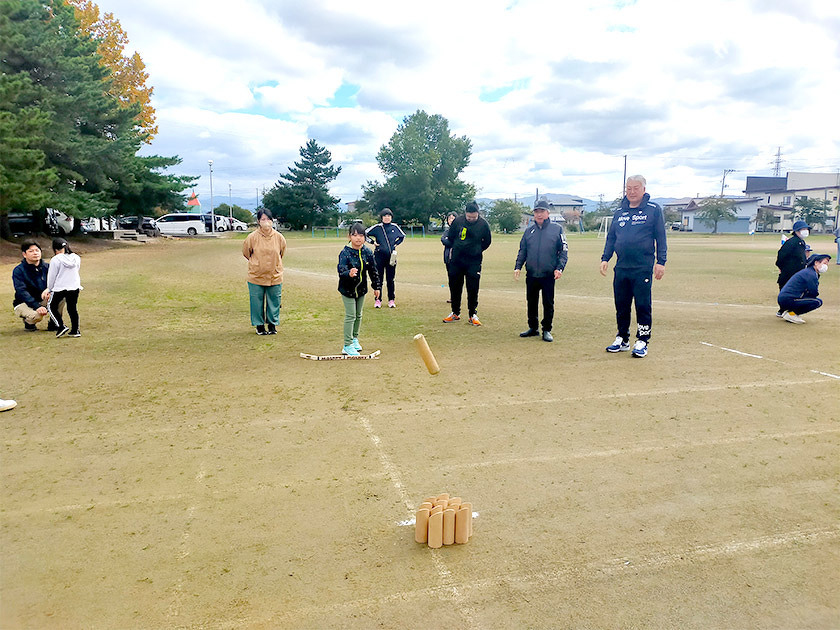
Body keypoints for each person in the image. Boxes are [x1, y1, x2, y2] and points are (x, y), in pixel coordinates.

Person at [599, 175, 667, 358]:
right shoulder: (619, 212)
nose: (632, 191)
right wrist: (605, 258)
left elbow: (661, 237)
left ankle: (642, 340)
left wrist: (661, 262)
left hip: (642, 267)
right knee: (621, 304)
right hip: (621, 267)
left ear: (643, 189)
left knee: (643, 305)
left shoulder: (653, 210)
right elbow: (611, 237)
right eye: (628, 188)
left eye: (636, 188)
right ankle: (623, 337)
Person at [514, 199, 569, 342]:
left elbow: (563, 251)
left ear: (547, 213)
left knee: (548, 303)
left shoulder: (557, 229)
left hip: (548, 274)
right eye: (536, 212)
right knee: (531, 302)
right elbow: (523, 251)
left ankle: (547, 329)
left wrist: (559, 268)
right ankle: (533, 328)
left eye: (542, 211)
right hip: (532, 274)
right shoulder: (528, 231)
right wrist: (518, 266)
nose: (539, 214)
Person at [442, 201, 492, 326]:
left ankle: (472, 315)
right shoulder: (458, 222)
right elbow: (451, 237)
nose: (471, 219)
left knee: (473, 288)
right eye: (469, 217)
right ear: (465, 214)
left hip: (474, 261)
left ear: (478, 214)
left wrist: (476, 250)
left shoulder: (483, 224)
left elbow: (487, 241)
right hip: (457, 260)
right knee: (455, 286)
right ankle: (455, 313)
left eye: (474, 217)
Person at [338, 223, 381, 355]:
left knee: (358, 315)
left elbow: (373, 270)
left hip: (361, 289)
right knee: (350, 315)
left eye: (361, 235)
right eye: (355, 235)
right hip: (347, 289)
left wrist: (376, 286)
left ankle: (354, 339)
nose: (358, 238)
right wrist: (348, 273)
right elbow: (341, 270)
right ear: (349, 236)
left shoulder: (367, 252)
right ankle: (347, 344)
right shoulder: (345, 252)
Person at [242, 209, 287, 335]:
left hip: (275, 275)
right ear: (258, 221)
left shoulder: (279, 237)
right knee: (256, 301)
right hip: (256, 275)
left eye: (268, 219)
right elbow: (246, 252)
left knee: (274, 301)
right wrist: (256, 263)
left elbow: (282, 252)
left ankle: (272, 324)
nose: (266, 222)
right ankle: (259, 325)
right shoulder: (252, 237)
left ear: (272, 221)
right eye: (263, 219)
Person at [12, 240, 62, 332]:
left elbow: (58, 282)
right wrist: (37, 306)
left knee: (61, 295)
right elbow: (21, 291)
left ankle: (54, 323)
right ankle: (29, 323)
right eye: (31, 251)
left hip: (42, 299)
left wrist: (49, 290)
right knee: (36, 316)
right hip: (23, 302)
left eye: (37, 250)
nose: (35, 253)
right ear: (24, 254)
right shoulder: (19, 270)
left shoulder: (48, 267)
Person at [365, 208, 405, 308]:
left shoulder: (395, 227)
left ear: (391, 217)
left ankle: (391, 299)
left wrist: (395, 244)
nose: (387, 218)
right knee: (379, 279)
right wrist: (372, 242)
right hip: (379, 256)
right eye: (385, 216)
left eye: (388, 216)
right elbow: (364, 234)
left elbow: (402, 236)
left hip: (391, 257)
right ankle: (378, 300)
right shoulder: (378, 227)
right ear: (381, 217)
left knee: (390, 279)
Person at [777, 253, 831, 324]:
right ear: (816, 262)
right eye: (824, 263)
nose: (826, 266)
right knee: (817, 302)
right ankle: (791, 314)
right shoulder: (810, 274)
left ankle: (790, 313)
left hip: (785, 299)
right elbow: (813, 291)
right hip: (788, 299)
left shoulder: (809, 272)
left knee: (811, 299)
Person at [46, 238, 83, 338]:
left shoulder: (55, 259)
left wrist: (50, 289)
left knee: (51, 306)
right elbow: (77, 269)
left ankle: (60, 325)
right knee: (72, 308)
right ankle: (75, 330)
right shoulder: (76, 257)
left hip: (60, 287)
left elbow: (52, 276)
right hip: (74, 286)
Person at [775, 220, 810, 315]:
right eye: (803, 229)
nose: (805, 231)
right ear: (797, 231)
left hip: (798, 272)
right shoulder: (791, 242)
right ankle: (783, 310)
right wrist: (782, 267)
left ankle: (790, 310)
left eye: (806, 229)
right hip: (789, 272)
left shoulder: (801, 242)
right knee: (786, 291)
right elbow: (781, 255)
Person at [441, 212, 456, 303]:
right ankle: (452, 296)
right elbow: (443, 240)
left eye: (453, 218)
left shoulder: (460, 231)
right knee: (451, 278)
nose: (451, 220)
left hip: (457, 258)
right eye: (450, 218)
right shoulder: (447, 231)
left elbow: (455, 242)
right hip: (448, 258)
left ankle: (457, 297)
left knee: (457, 279)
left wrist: (449, 241)